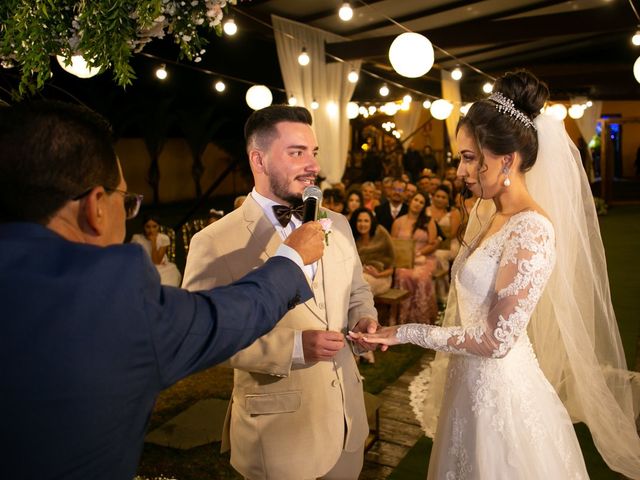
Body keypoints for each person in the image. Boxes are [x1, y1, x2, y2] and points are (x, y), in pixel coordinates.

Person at [0, 101, 327, 480]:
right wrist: (290, 263)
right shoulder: (112, 299)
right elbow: (222, 320)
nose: (312, 164)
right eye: (125, 200)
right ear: (95, 208)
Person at [350, 71, 640, 479]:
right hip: (467, 384)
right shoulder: (489, 214)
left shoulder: (532, 229)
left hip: (501, 394)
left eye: (470, 158)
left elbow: (496, 339)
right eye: (460, 158)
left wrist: (404, 332)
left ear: (507, 159)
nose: (461, 172)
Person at [182, 105, 379, 480]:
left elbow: (357, 288)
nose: (312, 165)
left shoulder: (336, 223)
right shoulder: (214, 242)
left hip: (347, 422)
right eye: (296, 153)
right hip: (278, 438)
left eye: (314, 152)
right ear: (258, 159)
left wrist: (364, 318)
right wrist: (293, 348)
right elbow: (199, 338)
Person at [391, 192, 440, 325]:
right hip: (403, 260)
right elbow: (393, 244)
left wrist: (418, 252)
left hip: (424, 258)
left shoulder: (428, 222)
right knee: (403, 275)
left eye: (421, 202)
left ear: (424, 206)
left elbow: (432, 243)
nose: (417, 204)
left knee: (421, 277)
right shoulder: (398, 222)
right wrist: (405, 255)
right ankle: (404, 317)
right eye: (416, 200)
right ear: (410, 201)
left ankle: (422, 318)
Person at [349, 207, 395, 296]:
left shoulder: (381, 235)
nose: (362, 224)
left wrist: (378, 274)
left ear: (371, 222)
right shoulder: (353, 238)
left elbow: (391, 269)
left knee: (360, 286)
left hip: (382, 277)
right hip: (358, 276)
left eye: (366, 221)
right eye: (359, 221)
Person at [131, 214, 182, 286]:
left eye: (154, 226)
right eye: (148, 227)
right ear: (143, 227)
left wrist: (153, 242)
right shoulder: (137, 238)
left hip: (161, 266)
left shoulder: (164, 238)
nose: (151, 230)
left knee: (168, 278)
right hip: (143, 266)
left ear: (159, 226)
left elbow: (156, 261)